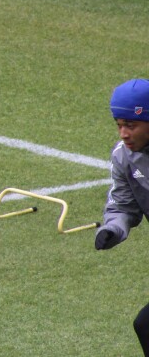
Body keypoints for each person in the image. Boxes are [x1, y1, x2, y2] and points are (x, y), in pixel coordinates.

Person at [94, 78, 149, 355]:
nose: (123, 133)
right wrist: (113, 229)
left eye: (131, 125)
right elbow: (124, 206)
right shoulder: (124, 157)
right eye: (119, 124)